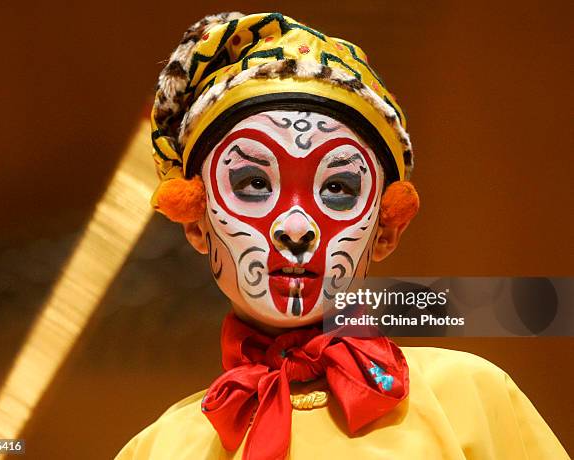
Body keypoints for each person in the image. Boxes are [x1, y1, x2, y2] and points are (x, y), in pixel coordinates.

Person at [116, 12, 568, 459]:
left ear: (387, 228)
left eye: (337, 188)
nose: (295, 228)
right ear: (196, 220)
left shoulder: (469, 399)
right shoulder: (162, 448)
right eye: (252, 184)